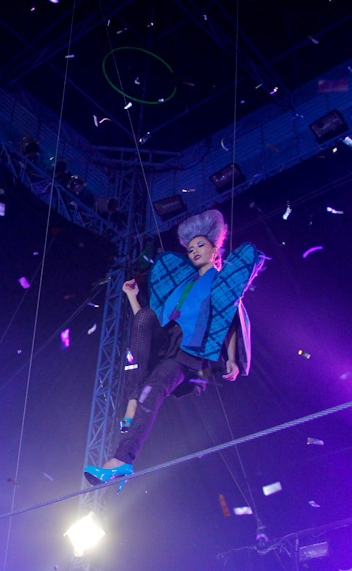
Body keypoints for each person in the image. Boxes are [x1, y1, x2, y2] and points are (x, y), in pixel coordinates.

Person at [83, 209, 264, 487]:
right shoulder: (182, 284)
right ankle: (132, 402)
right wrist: (132, 295)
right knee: (143, 316)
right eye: (190, 249)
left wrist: (231, 358)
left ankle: (121, 459)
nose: (194, 251)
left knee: (152, 390)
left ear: (215, 250)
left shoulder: (220, 283)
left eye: (200, 245)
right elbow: (146, 322)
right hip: (165, 341)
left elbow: (226, 321)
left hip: (189, 351)